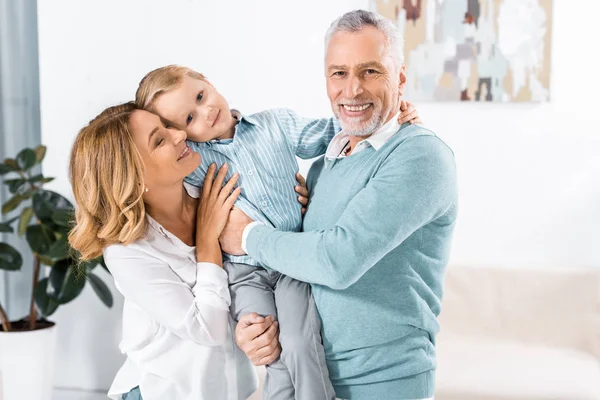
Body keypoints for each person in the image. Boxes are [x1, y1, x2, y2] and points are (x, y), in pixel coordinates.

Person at [134, 65, 421, 399]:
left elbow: (334, 131)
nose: (206, 111)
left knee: (300, 342)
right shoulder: (192, 162)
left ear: (209, 82)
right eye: (189, 119)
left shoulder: (274, 124)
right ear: (179, 133)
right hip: (243, 274)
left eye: (201, 96)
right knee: (273, 353)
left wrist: (390, 118)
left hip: (290, 263)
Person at [221, 10, 458, 400]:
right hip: (310, 378)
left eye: (370, 71)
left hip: (384, 384)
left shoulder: (420, 156)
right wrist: (253, 327)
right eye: (339, 73)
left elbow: (337, 260)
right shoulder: (325, 163)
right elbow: (298, 267)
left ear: (399, 78)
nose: (352, 90)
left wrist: (246, 235)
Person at [68, 103, 284, 400]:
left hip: (231, 391)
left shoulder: (214, 190)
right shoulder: (128, 252)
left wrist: (295, 193)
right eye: (159, 140)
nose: (180, 133)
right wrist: (208, 239)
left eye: (166, 126)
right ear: (134, 178)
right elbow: (206, 329)